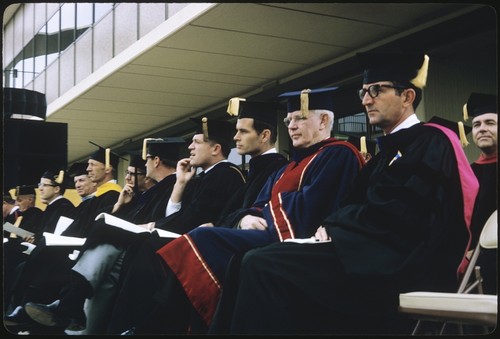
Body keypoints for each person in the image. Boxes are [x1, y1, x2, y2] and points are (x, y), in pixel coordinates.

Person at [216, 52, 481, 335]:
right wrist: (330, 227)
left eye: (377, 90)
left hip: (396, 264)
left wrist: (336, 230)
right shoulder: (386, 153)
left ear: (407, 96)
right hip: (364, 252)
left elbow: (401, 214)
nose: (366, 99)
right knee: (242, 260)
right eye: (364, 91)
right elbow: (356, 205)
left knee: (262, 264)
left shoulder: (432, 141)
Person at [122, 87, 366, 335]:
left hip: (295, 239)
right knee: (198, 240)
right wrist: (246, 217)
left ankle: (158, 328)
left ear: (324, 121)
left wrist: (262, 213)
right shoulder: (290, 165)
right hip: (269, 232)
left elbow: (313, 206)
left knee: (203, 238)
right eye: (288, 120)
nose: (291, 126)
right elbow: (258, 205)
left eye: (299, 118)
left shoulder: (339, 154)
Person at [24, 118, 246, 334]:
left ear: (216, 149)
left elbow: (192, 219)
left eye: (197, 142)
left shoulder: (225, 175)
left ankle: (70, 304)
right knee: (107, 245)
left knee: (107, 236)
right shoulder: (202, 177)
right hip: (172, 235)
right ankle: (72, 308)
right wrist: (180, 183)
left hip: (190, 244)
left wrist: (151, 225)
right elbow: (180, 215)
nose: (190, 146)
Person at [107, 98, 289, 334]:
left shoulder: (269, 169)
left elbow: (228, 214)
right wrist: (181, 184)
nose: (235, 138)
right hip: (219, 234)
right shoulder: (248, 169)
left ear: (264, 135)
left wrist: (224, 221)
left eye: (243, 131)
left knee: (155, 247)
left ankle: (142, 326)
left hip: (242, 244)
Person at [4, 145, 122, 333]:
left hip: (84, 249)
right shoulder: (98, 197)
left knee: (47, 261)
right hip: (75, 246)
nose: (89, 168)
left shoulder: (113, 195)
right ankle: (27, 309)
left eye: (92, 164)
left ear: (107, 168)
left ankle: (34, 312)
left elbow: (93, 227)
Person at [463, 92, 497, 296]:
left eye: (490, 122)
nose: (482, 128)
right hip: (471, 267)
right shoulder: (466, 173)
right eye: (476, 125)